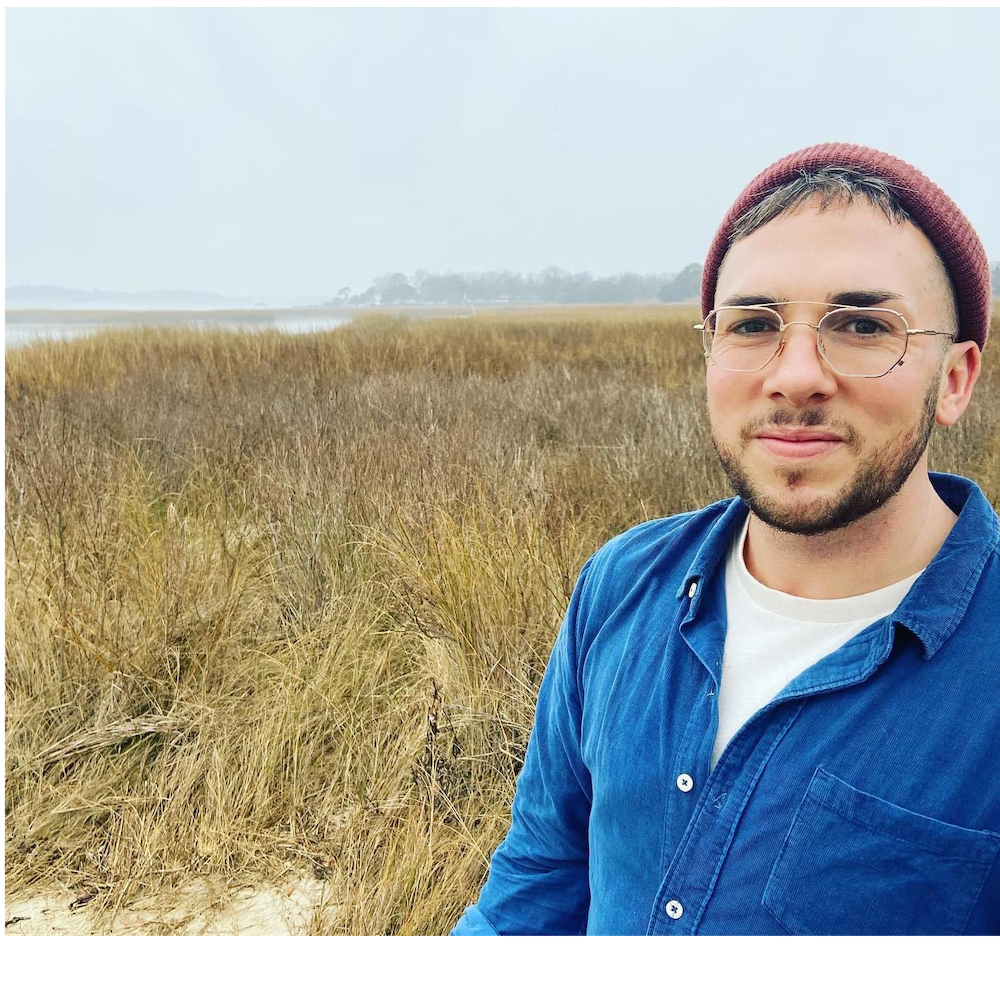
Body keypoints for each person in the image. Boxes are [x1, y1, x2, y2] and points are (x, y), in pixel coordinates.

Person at [449, 142, 999, 937]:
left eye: (862, 324)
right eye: (752, 324)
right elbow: (540, 880)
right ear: (711, 352)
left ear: (954, 380)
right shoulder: (623, 585)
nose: (797, 374)